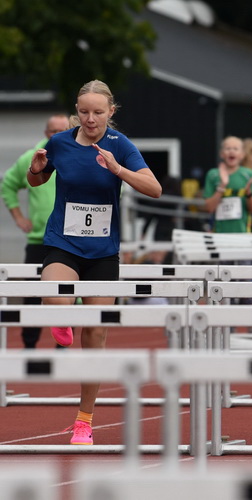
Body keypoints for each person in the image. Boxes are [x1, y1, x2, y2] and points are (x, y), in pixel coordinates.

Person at [27, 80, 162, 444]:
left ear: (110, 112)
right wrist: (37, 169)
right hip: (63, 242)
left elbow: (155, 189)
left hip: (103, 252)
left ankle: (84, 420)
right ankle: (61, 317)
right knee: (55, 296)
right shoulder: (60, 143)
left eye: (98, 112)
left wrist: (118, 170)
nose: (90, 119)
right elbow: (36, 181)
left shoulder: (121, 146)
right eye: (84, 112)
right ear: (77, 111)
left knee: (97, 333)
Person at [2, 114, 71, 349]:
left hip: (70, 240)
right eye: (53, 131)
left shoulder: (81, 153)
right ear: (45, 134)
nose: (57, 136)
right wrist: (19, 216)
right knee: (32, 295)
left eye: (63, 130)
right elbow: (8, 185)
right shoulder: (31, 158)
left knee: (68, 295)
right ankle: (29, 346)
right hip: (38, 240)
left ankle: (62, 347)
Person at [203, 136, 252, 233]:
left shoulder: (248, 174)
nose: (231, 151)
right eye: (228, 148)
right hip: (219, 233)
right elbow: (209, 208)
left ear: (242, 155)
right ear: (221, 154)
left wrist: (249, 193)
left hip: (242, 233)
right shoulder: (213, 175)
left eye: (235, 149)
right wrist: (222, 186)